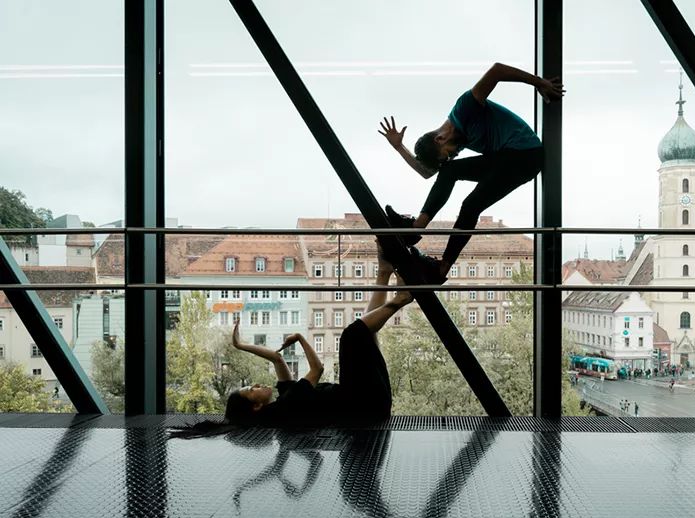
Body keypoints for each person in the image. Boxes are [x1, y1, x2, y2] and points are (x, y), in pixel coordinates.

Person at [172, 241, 413, 435]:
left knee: (366, 332)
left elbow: (277, 359)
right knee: (352, 335)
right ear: (257, 406)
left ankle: (384, 272)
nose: (257, 385)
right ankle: (402, 297)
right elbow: (317, 369)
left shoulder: (284, 400)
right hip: (366, 405)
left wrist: (241, 345)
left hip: (364, 400)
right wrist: (299, 337)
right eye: (252, 390)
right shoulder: (288, 405)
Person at [378, 62, 565, 283]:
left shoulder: (465, 107)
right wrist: (399, 147)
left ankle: (418, 231)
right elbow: (429, 173)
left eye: (448, 154)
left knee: (460, 188)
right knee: (468, 202)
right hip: (508, 161)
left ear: (440, 138)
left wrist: (540, 83)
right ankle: (439, 267)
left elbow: (497, 70)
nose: (453, 155)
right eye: (450, 155)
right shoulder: (457, 138)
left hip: (523, 155)